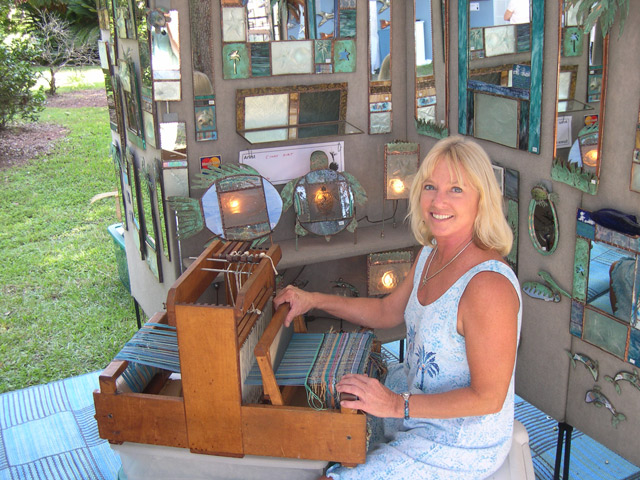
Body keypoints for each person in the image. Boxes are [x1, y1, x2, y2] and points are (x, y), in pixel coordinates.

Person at [274, 135, 521, 479]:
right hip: (414, 403)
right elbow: (387, 313)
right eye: (431, 186)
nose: (438, 201)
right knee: (321, 429)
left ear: (483, 200)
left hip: (458, 438)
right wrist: (312, 300)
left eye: (456, 190)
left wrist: (394, 404)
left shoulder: (489, 286)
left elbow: (488, 398)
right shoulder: (430, 255)